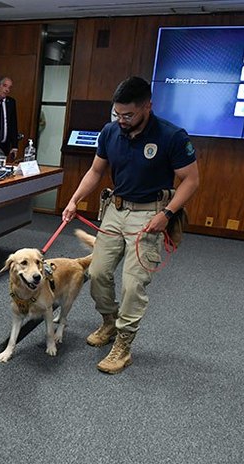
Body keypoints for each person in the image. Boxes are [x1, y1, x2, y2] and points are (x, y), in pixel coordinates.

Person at [61, 76, 200, 375]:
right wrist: (74, 200)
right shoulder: (110, 131)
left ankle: (123, 345)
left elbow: (192, 180)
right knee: (97, 273)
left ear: (148, 106)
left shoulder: (171, 136)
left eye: (129, 115)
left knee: (133, 283)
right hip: (115, 208)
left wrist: (168, 214)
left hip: (150, 214)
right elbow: (96, 171)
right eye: (117, 114)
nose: (122, 120)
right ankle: (109, 322)